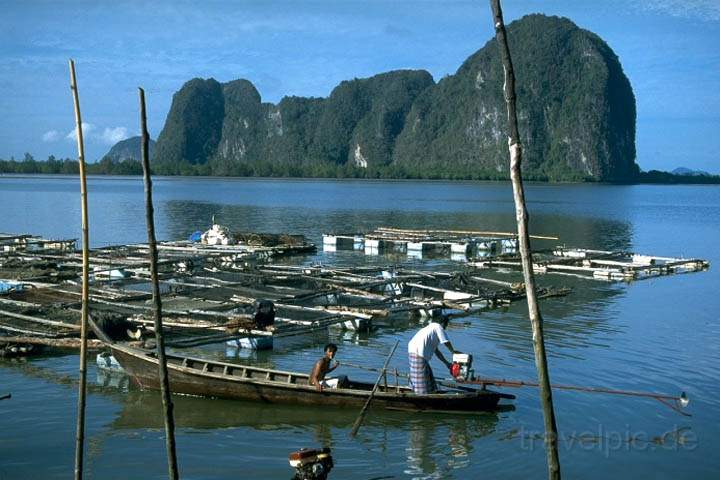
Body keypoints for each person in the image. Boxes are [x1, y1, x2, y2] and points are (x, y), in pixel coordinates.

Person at [408, 315, 459, 394]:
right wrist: (453, 351)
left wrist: (447, 364)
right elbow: (446, 342)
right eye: (446, 325)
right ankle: (422, 395)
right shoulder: (438, 327)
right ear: (443, 323)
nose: (445, 328)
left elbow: (437, 352)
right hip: (418, 353)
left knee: (427, 374)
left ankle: (428, 391)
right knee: (421, 378)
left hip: (413, 351)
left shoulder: (430, 329)